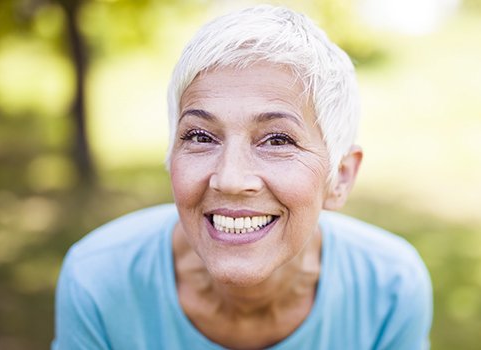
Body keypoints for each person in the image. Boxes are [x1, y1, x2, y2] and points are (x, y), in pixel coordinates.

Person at [52, 5, 432, 350]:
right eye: (200, 136)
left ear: (341, 178)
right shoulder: (98, 281)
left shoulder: (390, 289)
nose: (231, 179)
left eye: (277, 140)